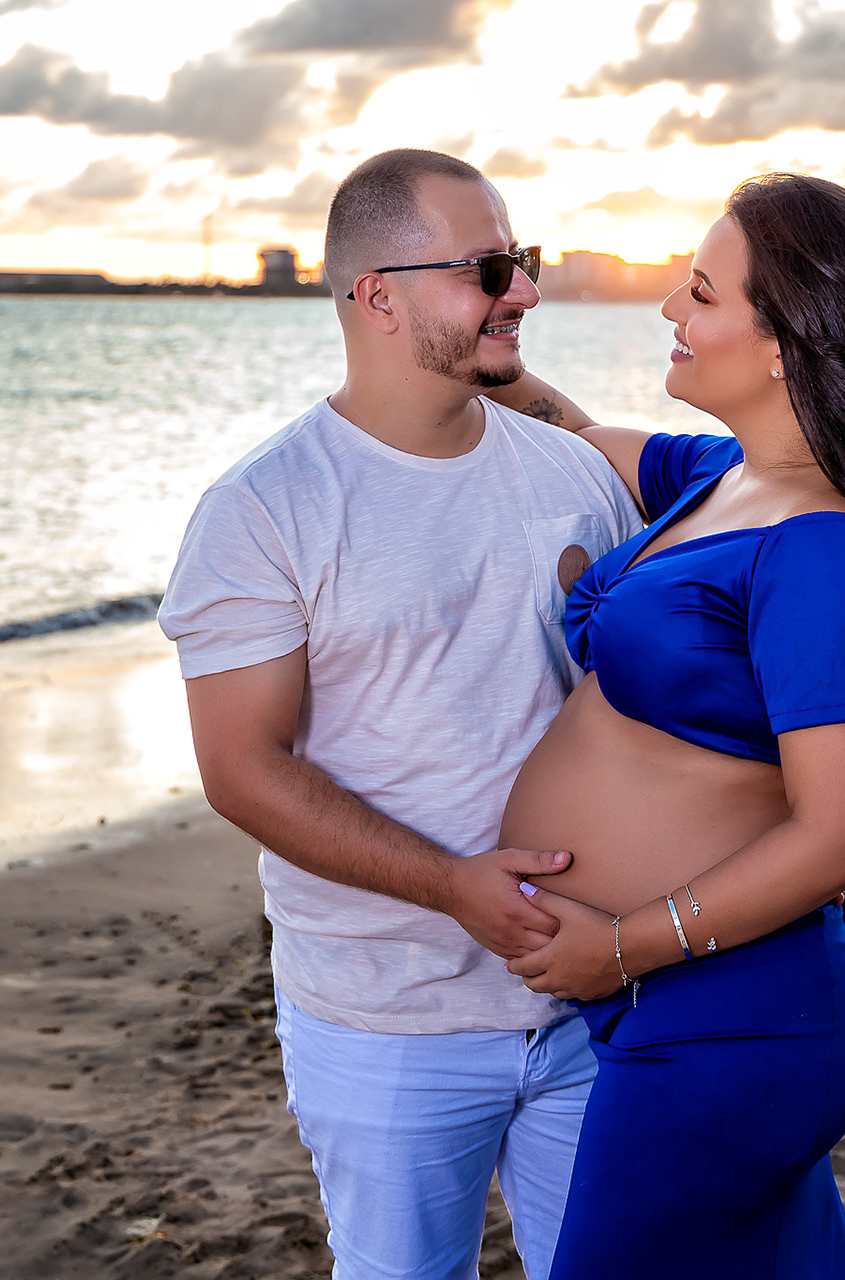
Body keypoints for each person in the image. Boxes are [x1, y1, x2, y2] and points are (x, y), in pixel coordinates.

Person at [485, 173, 845, 1278]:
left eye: (703, 292)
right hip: (691, 1010)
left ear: (784, 344)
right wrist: (476, 334)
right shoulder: (721, 480)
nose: (670, 307)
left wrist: (620, 946)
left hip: (730, 1021)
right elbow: (567, 428)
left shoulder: (818, 549)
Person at [157, 149, 642, 1280]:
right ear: (377, 296)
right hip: (385, 1021)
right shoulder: (264, 510)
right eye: (489, 269)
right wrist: (451, 885)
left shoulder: (575, 476)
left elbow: (646, 702)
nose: (526, 292)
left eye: (522, 260)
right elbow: (242, 769)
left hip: (592, 996)